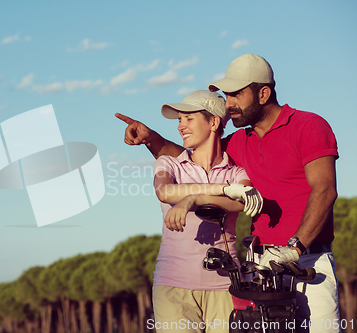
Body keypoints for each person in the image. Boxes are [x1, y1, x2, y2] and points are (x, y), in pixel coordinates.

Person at [116, 54, 340, 333]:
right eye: (226, 95)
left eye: (236, 94)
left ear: (263, 93)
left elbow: (326, 189)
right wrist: (150, 138)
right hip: (259, 267)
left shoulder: (308, 125)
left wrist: (293, 249)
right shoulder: (238, 141)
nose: (229, 103)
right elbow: (190, 155)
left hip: (307, 261)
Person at [150, 90, 262, 333]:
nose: (180, 126)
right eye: (179, 120)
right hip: (173, 287)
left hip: (225, 287)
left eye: (188, 119)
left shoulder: (237, 172)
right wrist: (223, 190)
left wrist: (194, 198)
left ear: (213, 122)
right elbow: (165, 192)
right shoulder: (168, 164)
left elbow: (243, 202)